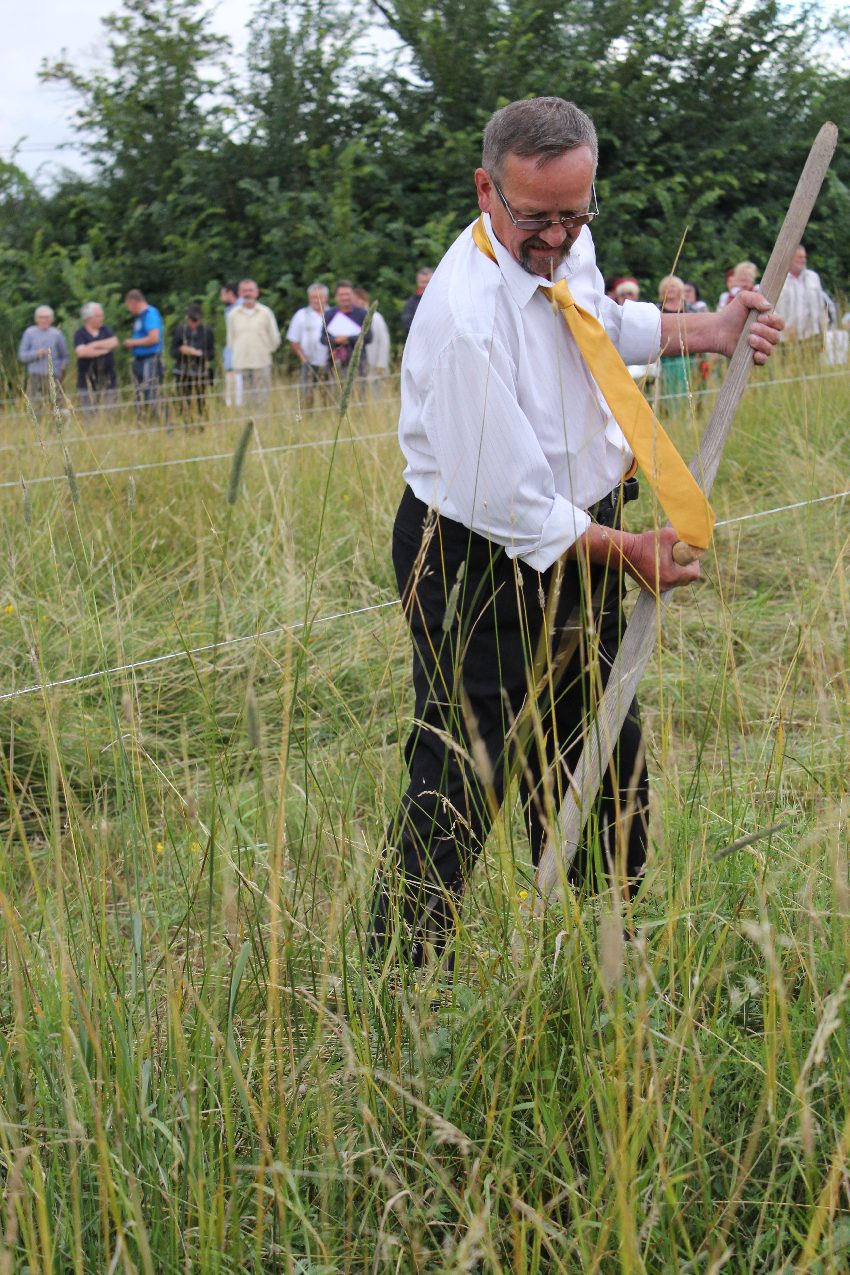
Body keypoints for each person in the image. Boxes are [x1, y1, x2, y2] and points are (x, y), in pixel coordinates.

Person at [368, 95, 782, 966]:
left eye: (574, 213)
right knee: (465, 768)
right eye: (536, 219)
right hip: (474, 554)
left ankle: (600, 959)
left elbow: (592, 322)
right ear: (486, 190)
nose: (557, 237)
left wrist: (707, 330)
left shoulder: (561, 239)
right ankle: (404, 980)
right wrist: (629, 551)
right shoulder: (464, 321)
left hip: (583, 532)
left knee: (602, 745)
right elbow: (515, 504)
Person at [227, 279, 280, 407]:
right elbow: (230, 340)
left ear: (256, 292)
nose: (247, 294)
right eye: (244, 291)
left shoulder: (266, 313)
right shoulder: (233, 314)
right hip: (241, 364)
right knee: (243, 402)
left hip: (261, 363)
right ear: (240, 293)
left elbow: (275, 338)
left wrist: (265, 352)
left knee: (262, 401)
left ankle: (261, 420)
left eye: (250, 290)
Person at [775, 245, 828, 347]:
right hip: (785, 338)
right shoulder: (778, 278)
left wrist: (823, 329)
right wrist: (785, 327)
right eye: (799, 257)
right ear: (790, 258)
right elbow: (772, 308)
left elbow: (821, 306)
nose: (803, 260)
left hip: (811, 335)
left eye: (804, 257)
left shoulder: (813, 277)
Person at [123, 289, 164, 419]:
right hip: (140, 360)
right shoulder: (140, 317)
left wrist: (133, 342)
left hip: (150, 360)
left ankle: (157, 420)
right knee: (140, 393)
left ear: (133, 302)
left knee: (150, 392)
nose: (129, 309)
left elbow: (154, 338)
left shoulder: (150, 314)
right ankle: (142, 419)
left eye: (128, 305)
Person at [286, 283, 330, 403]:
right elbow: (293, 340)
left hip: (330, 364)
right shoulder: (301, 315)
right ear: (309, 298)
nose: (316, 300)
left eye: (319, 297)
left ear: (326, 298)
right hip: (309, 363)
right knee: (307, 397)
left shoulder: (333, 314)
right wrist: (304, 359)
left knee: (329, 396)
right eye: (313, 297)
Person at [171, 303, 215, 421]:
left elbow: (211, 355)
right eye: (191, 320)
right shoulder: (179, 330)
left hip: (200, 372)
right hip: (182, 372)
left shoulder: (207, 331)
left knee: (201, 401)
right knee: (183, 400)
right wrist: (181, 350)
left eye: (196, 321)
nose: (193, 324)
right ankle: (185, 421)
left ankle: (202, 422)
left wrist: (198, 353)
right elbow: (172, 352)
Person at [321, 281, 372, 383]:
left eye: (347, 294)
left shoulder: (362, 313)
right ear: (336, 297)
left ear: (352, 295)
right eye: (341, 295)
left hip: (358, 363)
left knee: (359, 390)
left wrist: (348, 339)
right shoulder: (329, 314)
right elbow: (322, 338)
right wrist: (335, 340)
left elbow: (368, 337)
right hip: (335, 364)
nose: (344, 298)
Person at [18, 306, 68, 408]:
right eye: (41, 317)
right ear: (36, 319)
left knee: (58, 406)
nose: (44, 320)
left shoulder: (57, 334)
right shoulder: (29, 333)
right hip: (35, 376)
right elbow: (22, 356)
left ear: (52, 319)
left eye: (47, 317)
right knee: (36, 406)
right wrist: (36, 354)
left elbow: (65, 356)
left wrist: (63, 366)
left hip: (54, 376)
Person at [74, 302, 118, 413]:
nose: (102, 318)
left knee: (108, 414)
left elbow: (114, 342)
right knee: (89, 415)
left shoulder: (105, 330)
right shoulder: (80, 333)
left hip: (108, 381)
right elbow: (82, 352)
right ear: (88, 318)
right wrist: (104, 350)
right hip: (87, 383)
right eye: (98, 316)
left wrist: (93, 345)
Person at [657, 274, 695, 399]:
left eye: (673, 286)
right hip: (666, 357)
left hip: (689, 354)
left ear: (679, 288)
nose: (670, 289)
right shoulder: (657, 309)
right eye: (666, 286)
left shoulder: (690, 308)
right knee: (669, 387)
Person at [353, 286, 391, 397]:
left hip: (375, 363)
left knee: (376, 395)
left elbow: (384, 342)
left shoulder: (376, 317)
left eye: (359, 299)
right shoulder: (353, 318)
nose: (356, 302)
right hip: (359, 364)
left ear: (365, 300)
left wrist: (381, 364)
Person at [220, 282, 243, 406]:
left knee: (240, 380)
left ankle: (238, 404)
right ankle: (231, 405)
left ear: (229, 293)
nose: (221, 297)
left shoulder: (241, 307)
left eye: (222, 294)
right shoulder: (229, 309)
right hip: (231, 350)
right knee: (231, 378)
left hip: (241, 351)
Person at [399, 268, 434, 338]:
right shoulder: (411, 302)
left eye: (427, 282)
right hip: (418, 339)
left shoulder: (440, 300)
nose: (425, 285)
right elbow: (406, 322)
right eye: (422, 282)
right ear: (418, 282)